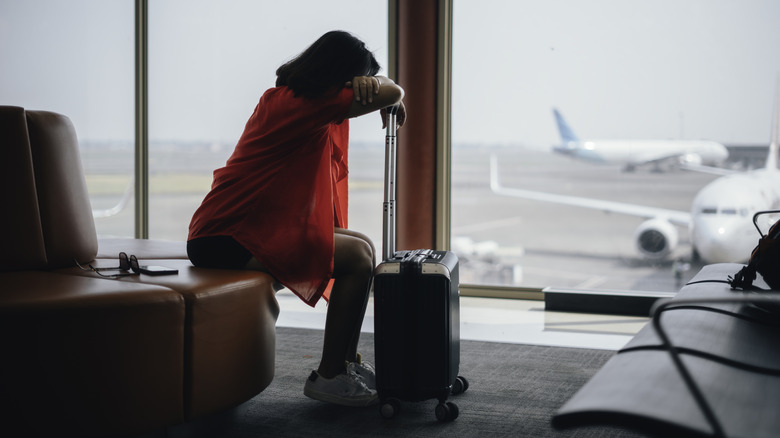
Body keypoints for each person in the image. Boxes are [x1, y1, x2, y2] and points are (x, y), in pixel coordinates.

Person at [186, 30, 406, 407]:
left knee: (362, 244)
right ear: (343, 76)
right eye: (360, 82)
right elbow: (392, 92)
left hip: (240, 227)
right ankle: (329, 375)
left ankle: (344, 362)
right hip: (225, 235)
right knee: (357, 259)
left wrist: (380, 90)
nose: (362, 91)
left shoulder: (296, 100)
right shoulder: (302, 104)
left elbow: (384, 93)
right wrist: (387, 91)